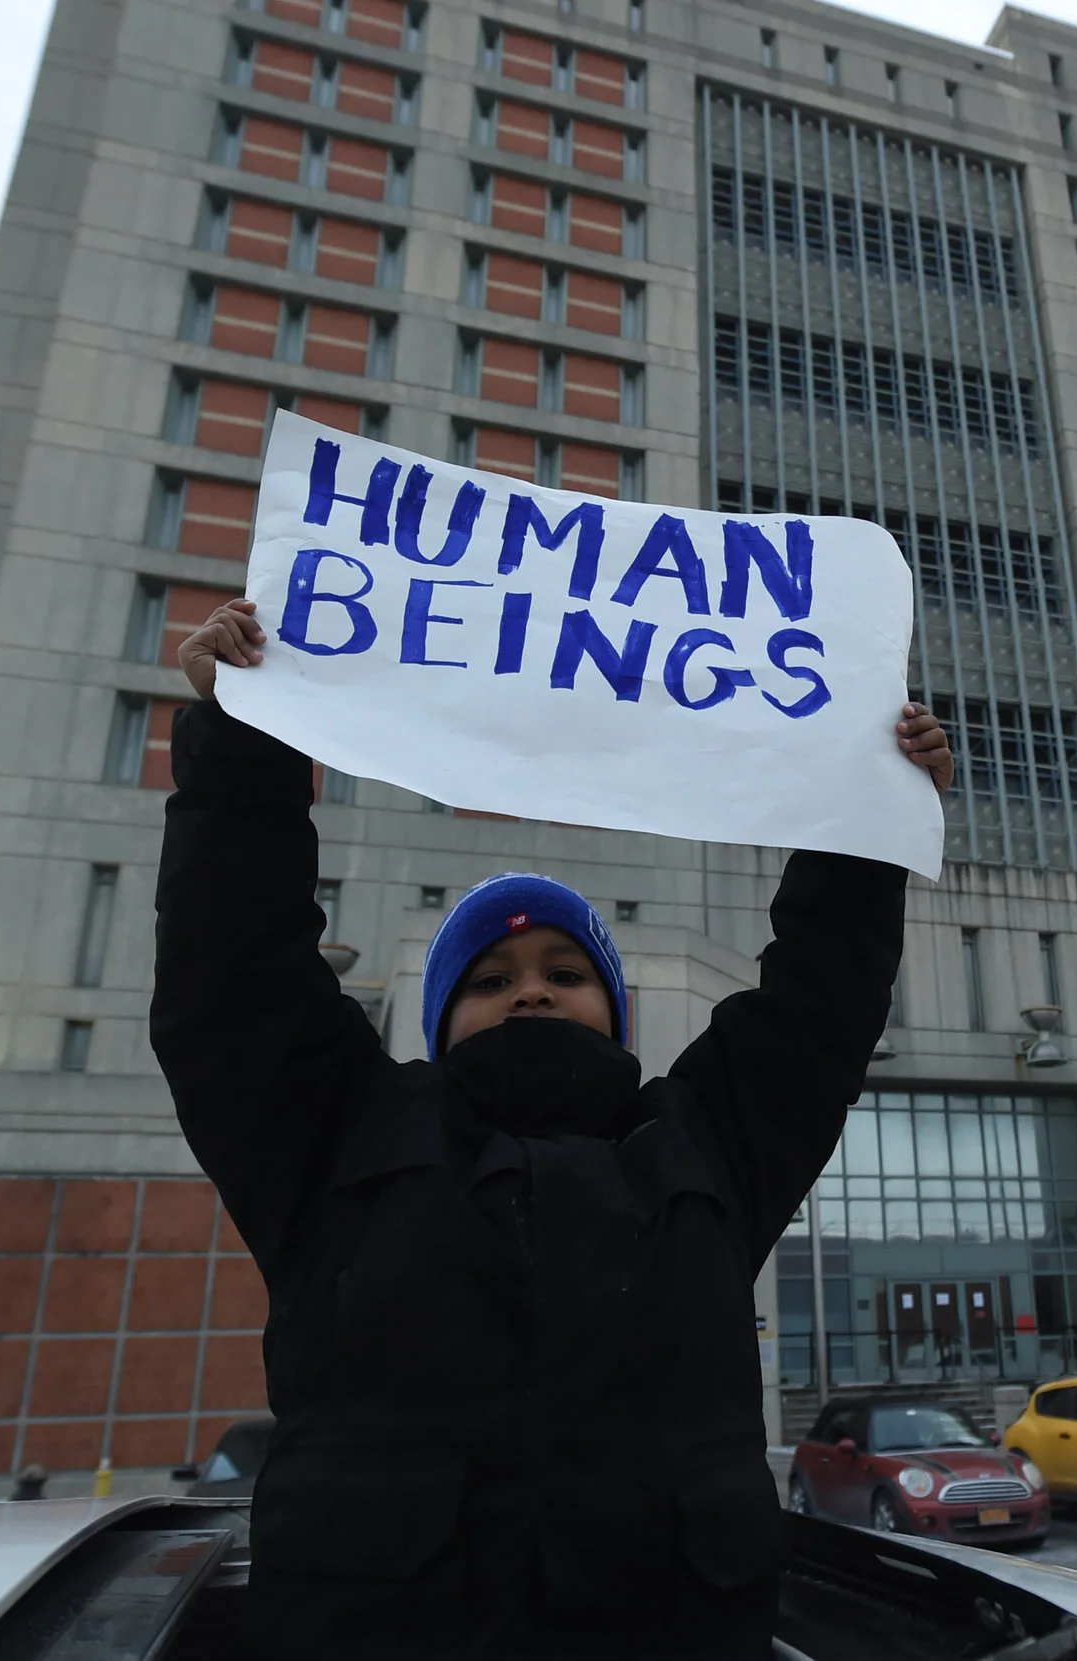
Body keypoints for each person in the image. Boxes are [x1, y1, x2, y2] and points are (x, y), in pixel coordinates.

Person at [152, 598, 953, 1659]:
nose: (529, 992)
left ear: (613, 1008)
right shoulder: (336, 1138)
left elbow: (815, 1008)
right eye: (489, 979)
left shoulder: (703, 1147)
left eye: (565, 973)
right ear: (438, 1021)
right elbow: (233, 973)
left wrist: (868, 810)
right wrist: (243, 739)